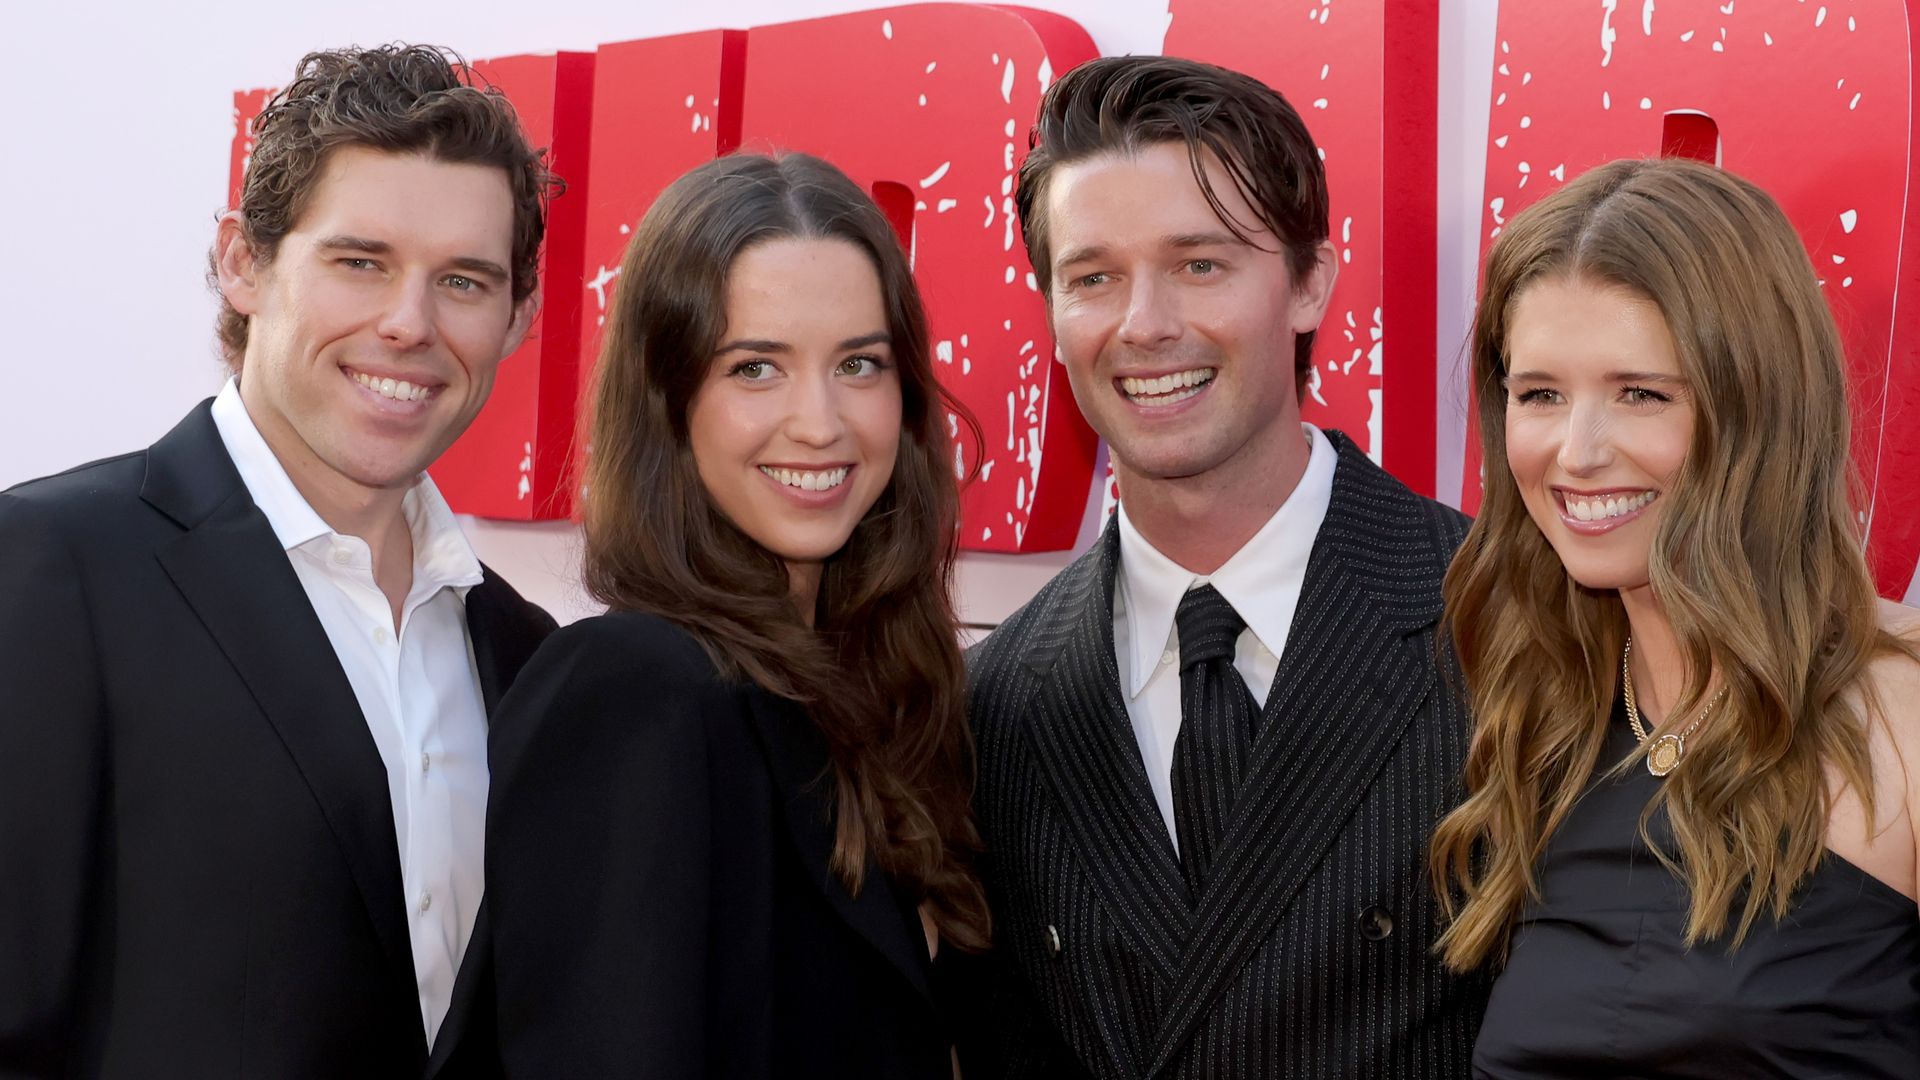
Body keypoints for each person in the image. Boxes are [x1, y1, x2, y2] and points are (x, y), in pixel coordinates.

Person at [0, 45, 558, 1079]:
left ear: (518, 316)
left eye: (465, 280)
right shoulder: (50, 570)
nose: (409, 323)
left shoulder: (521, 651)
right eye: (362, 261)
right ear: (243, 262)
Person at [962, 56, 1489, 1078]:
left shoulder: (1506, 617)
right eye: (1093, 277)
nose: (1145, 323)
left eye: (1200, 264)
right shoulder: (995, 706)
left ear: (1310, 284)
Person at [483, 151, 989, 1078]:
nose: (820, 421)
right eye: (756, 367)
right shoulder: (631, 691)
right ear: (671, 401)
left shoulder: (890, 701)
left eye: (859, 364)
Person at [1430, 157, 1920, 1077]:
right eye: (1540, 394)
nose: (1576, 452)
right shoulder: (1532, 719)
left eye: (1640, 394)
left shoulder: (1905, 716)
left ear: (1759, 409)